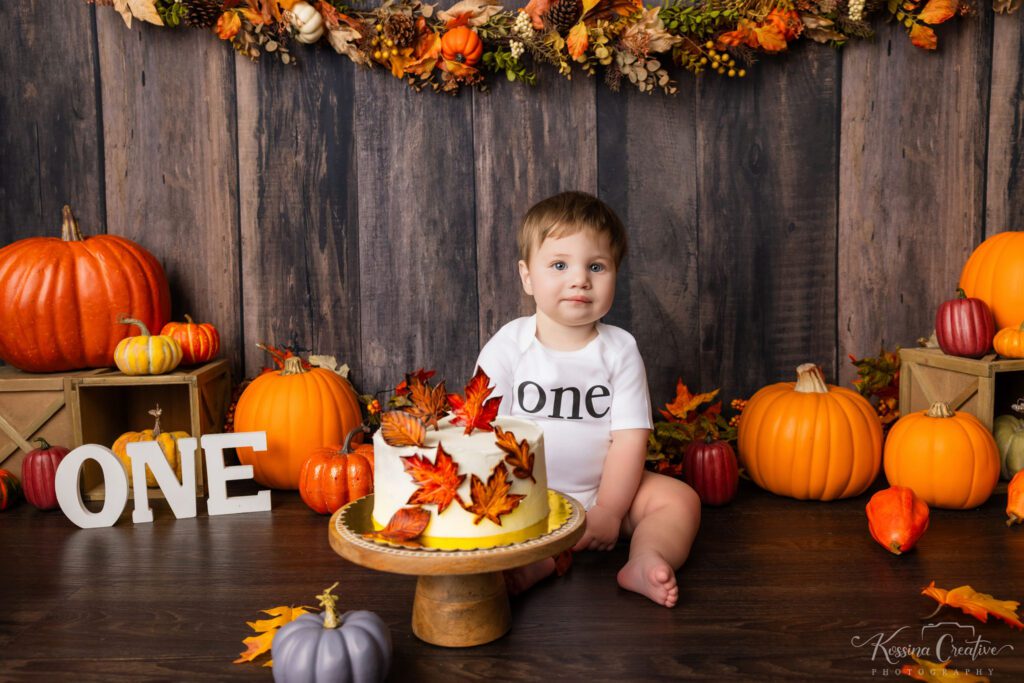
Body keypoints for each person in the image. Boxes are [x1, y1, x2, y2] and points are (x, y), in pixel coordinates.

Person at [475, 191, 701, 608]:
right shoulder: (508, 346)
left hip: (601, 490)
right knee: (485, 511)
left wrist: (611, 510)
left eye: (596, 266)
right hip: (524, 494)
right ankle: (536, 559)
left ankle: (646, 557)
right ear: (527, 276)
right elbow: (480, 431)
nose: (580, 278)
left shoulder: (619, 350)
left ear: (616, 274)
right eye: (560, 265)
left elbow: (630, 438)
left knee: (678, 500)